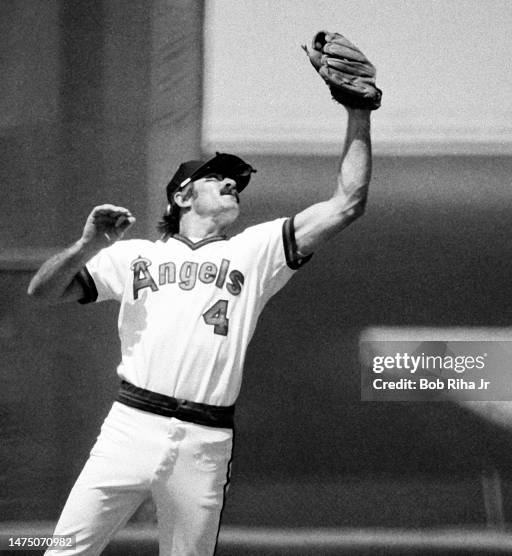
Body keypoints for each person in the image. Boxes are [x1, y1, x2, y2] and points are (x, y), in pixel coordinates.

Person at [27, 102, 372, 553]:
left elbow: (348, 204)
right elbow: (43, 290)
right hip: (131, 427)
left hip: (205, 441)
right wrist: (87, 244)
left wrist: (359, 113)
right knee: (63, 551)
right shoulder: (133, 256)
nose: (232, 183)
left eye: (236, 182)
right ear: (182, 197)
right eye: (216, 176)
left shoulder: (256, 251)